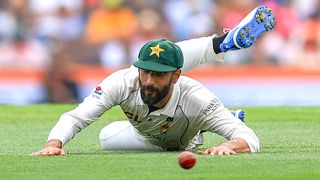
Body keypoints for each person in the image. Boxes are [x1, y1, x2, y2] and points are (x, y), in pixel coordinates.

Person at [31, 6, 275, 156]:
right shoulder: (124, 80)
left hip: (185, 135)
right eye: (144, 71)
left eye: (157, 74)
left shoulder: (198, 98)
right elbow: (77, 116)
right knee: (106, 137)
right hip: (147, 138)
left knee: (201, 117)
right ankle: (220, 44)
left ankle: (213, 113)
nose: (147, 80)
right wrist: (54, 143)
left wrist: (230, 146)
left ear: (177, 76)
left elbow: (250, 139)